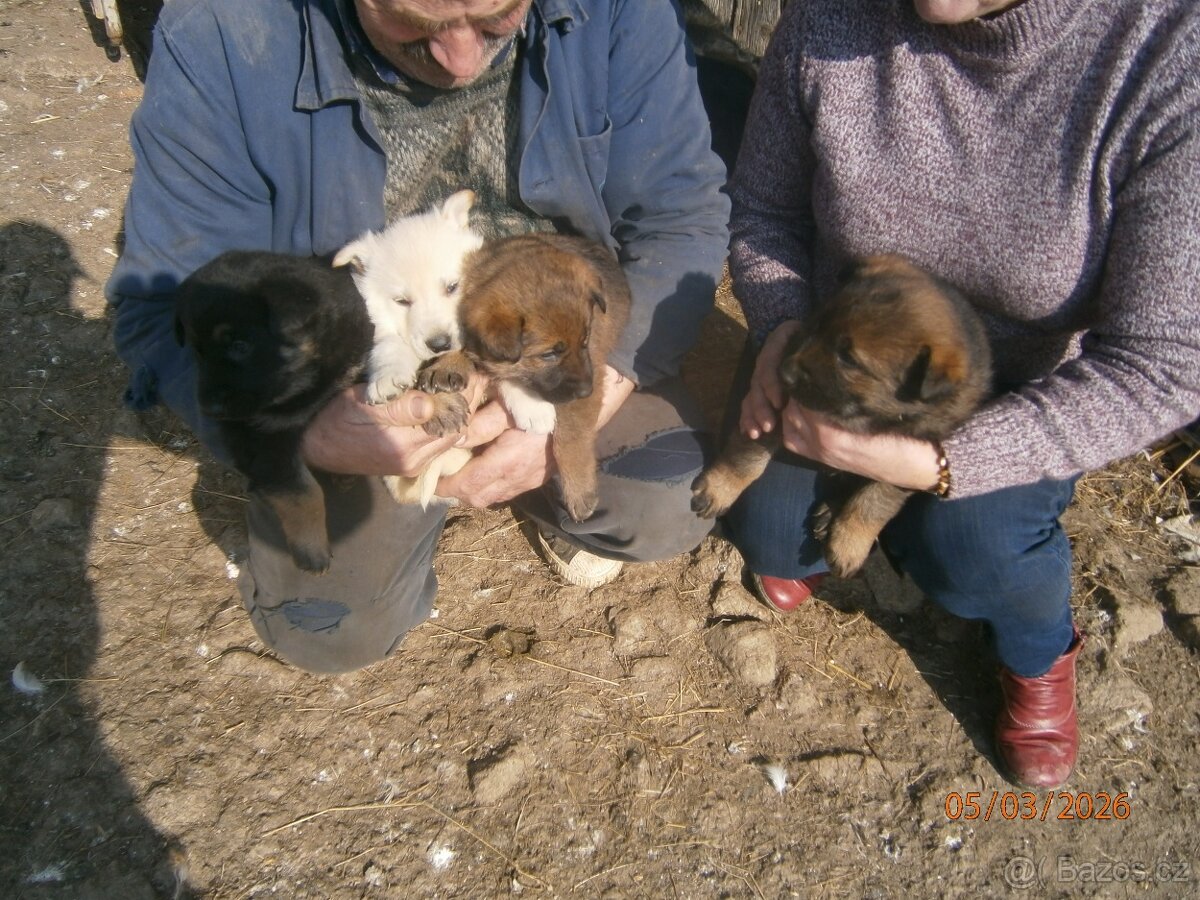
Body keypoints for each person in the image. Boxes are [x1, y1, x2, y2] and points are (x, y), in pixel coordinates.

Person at [106, 0, 730, 674]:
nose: (462, 60)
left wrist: (593, 396)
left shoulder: (618, 10)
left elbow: (682, 217)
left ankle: (531, 488)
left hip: (546, 336)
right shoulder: (224, 32)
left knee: (672, 498)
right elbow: (158, 306)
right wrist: (309, 432)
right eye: (416, 24)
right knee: (328, 627)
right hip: (368, 381)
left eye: (497, 19)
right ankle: (406, 506)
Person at [722, 0, 1200, 788]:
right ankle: (895, 527)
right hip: (840, 349)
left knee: (976, 559)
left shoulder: (1164, 54)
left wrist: (939, 465)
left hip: (1019, 389)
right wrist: (778, 329)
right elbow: (765, 210)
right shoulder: (827, 18)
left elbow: (1164, 364)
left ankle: (1037, 647)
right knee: (774, 534)